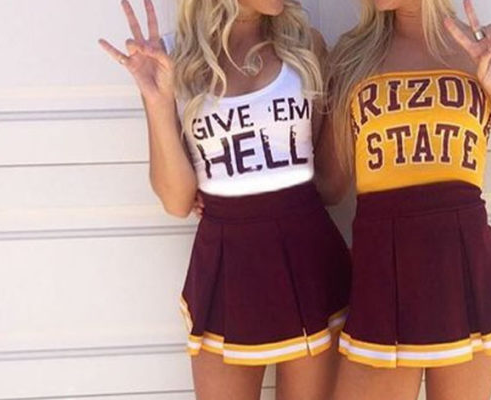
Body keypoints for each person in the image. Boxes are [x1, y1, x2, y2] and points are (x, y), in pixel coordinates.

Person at [98, 1, 351, 399]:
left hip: (309, 259)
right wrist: (158, 102)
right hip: (224, 262)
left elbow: (328, 185)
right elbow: (177, 201)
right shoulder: (173, 58)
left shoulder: (307, 47)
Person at [320, 0, 491, 399]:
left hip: (464, 274)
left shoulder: (482, 49)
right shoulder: (351, 57)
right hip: (380, 276)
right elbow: (330, 186)